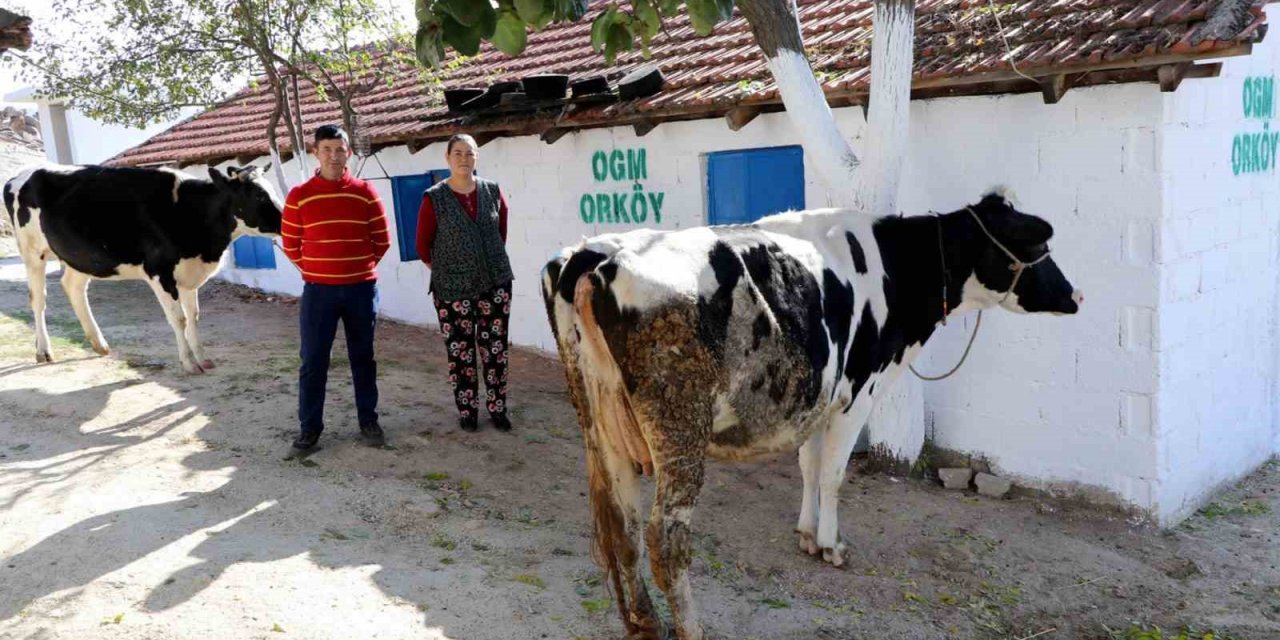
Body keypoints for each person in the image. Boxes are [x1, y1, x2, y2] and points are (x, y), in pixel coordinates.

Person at [281, 124, 391, 456]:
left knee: (363, 357)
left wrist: (354, 266)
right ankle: (309, 429)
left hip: (361, 290)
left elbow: (381, 242)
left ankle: (368, 421)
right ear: (316, 152)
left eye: (339, 148)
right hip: (319, 293)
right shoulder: (299, 195)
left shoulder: (365, 192)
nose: (333, 155)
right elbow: (290, 245)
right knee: (313, 360)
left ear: (349, 152)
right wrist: (321, 268)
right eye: (326, 148)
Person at [416, 133, 515, 433]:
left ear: (476, 158)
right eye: (457, 153)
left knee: (495, 349)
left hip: (494, 284)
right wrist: (452, 269)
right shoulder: (434, 198)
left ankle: (498, 408)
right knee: (461, 352)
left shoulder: (492, 191)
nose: (463, 158)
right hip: (451, 289)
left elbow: (500, 232)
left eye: (469, 153)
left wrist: (484, 263)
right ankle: (467, 411)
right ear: (447, 158)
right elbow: (423, 246)